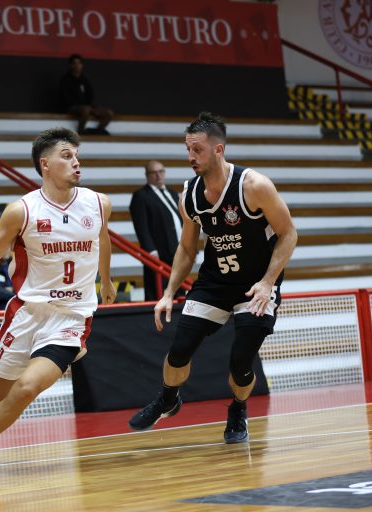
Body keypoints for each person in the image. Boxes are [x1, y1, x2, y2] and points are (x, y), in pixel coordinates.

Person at [0, 127, 116, 479]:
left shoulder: (99, 203)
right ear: (45, 164)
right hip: (27, 314)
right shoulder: (22, 210)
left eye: (77, 156)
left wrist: (105, 280)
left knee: (27, 388)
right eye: (66, 156)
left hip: (71, 317)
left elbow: (102, 240)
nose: (76, 162)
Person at [128, 112, 298, 444]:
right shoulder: (189, 195)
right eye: (188, 150)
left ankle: (238, 408)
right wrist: (168, 292)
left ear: (218, 149)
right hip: (215, 281)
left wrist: (268, 282)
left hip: (255, 285)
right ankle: (168, 399)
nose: (190, 157)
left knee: (240, 364)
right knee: (179, 349)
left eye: (198, 150)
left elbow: (289, 233)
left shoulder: (254, 186)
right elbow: (187, 248)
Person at [129, 160, 183, 301]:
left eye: (161, 171)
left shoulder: (172, 193)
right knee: (155, 290)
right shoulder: (141, 196)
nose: (158, 175)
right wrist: (150, 250)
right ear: (147, 175)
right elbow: (141, 226)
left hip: (177, 249)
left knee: (179, 289)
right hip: (158, 252)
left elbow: (181, 221)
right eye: (154, 172)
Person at [58, 54, 113, 135]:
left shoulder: (84, 79)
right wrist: (82, 106)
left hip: (87, 107)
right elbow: (65, 98)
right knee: (86, 110)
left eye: (79, 63)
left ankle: (98, 131)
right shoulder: (65, 80)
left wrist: (90, 107)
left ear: (82, 65)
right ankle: (81, 131)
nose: (77, 66)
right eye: (75, 63)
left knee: (109, 112)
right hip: (71, 107)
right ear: (71, 65)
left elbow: (90, 95)